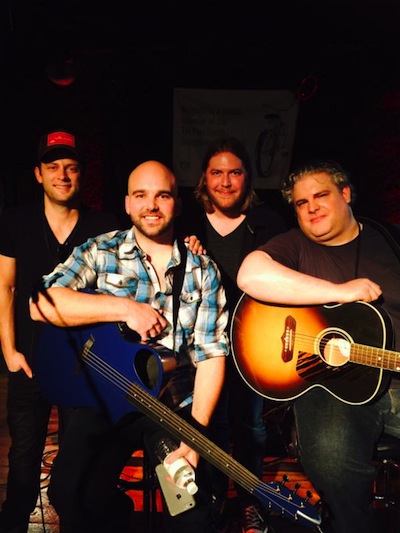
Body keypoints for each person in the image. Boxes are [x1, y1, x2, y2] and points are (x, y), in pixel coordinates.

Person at [29, 160, 229, 533]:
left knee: (187, 511)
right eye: (141, 195)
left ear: (177, 204)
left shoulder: (203, 270)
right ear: (127, 203)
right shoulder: (99, 251)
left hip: (174, 406)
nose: (151, 205)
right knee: (68, 493)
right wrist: (125, 308)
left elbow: (212, 354)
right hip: (110, 400)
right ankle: (115, 516)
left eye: (162, 195)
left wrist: (197, 436)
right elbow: (41, 303)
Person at [236, 159, 400, 533]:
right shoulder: (293, 245)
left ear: (346, 194)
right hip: (334, 387)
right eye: (300, 202)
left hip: (396, 377)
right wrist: (341, 293)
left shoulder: (391, 240)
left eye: (321, 195)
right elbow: (251, 273)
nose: (311, 207)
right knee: (330, 454)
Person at [0, 128, 120, 533]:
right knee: (23, 465)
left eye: (70, 168)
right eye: (53, 167)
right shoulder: (16, 220)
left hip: (81, 370)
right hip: (29, 362)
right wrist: (9, 352)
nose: (62, 175)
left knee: (77, 465)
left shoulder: (103, 226)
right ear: (38, 174)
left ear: (81, 174)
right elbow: (6, 286)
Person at [179, 137, 287, 533]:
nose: (226, 181)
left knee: (251, 428)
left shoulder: (271, 223)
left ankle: (249, 500)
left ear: (248, 178)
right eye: (216, 172)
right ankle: (213, 497)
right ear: (204, 180)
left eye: (235, 172)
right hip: (202, 347)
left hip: (253, 343)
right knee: (208, 422)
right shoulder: (185, 223)